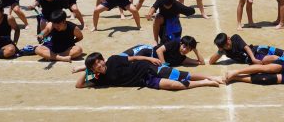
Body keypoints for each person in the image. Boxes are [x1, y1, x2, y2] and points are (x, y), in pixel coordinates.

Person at [74, 52, 222, 90]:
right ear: (92, 69)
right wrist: (86, 70)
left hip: (148, 68)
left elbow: (132, 58)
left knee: (182, 75)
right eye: (95, 65)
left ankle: (210, 76)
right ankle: (205, 82)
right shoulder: (100, 79)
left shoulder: (112, 59)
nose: (99, 65)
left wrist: (150, 59)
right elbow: (79, 85)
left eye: (99, 61)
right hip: (145, 81)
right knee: (173, 86)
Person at [208, 32, 284, 65]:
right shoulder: (224, 50)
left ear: (228, 38)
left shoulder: (235, 38)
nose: (227, 45)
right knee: (274, 59)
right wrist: (220, 51)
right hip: (254, 57)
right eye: (224, 45)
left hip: (255, 50)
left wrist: (253, 59)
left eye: (227, 42)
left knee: (283, 53)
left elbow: (246, 47)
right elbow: (211, 62)